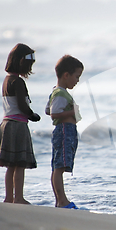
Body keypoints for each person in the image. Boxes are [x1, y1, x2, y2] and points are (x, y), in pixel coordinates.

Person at [0, 43, 40, 204]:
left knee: (10, 166)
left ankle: (8, 198)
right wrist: (32, 115)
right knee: (20, 164)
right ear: (20, 61)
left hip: (6, 124)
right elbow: (21, 106)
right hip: (18, 126)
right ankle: (19, 198)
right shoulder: (18, 82)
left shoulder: (6, 81)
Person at [46, 55, 84, 209]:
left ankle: (60, 201)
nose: (77, 81)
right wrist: (71, 112)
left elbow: (48, 110)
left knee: (59, 167)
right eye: (76, 76)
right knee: (59, 167)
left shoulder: (58, 92)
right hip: (64, 131)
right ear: (66, 75)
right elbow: (54, 114)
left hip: (66, 131)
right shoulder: (61, 93)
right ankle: (62, 201)